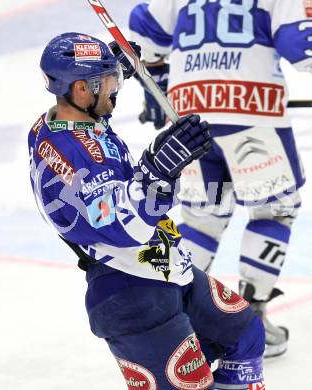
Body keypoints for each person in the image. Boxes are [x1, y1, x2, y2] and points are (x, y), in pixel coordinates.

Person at [28, 32, 266, 389]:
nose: (116, 87)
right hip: (129, 290)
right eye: (108, 80)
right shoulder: (70, 154)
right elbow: (120, 227)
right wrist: (158, 172)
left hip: (163, 266)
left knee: (244, 333)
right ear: (80, 89)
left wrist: (114, 65)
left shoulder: (69, 119)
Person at [129, 0, 311, 358]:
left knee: (203, 218)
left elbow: (143, 28)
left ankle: (178, 315)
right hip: (252, 111)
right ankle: (251, 314)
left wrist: (158, 80)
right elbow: (299, 46)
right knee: (274, 211)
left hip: (188, 115)